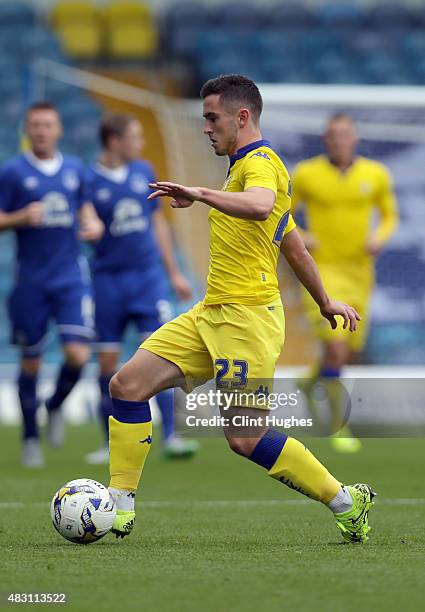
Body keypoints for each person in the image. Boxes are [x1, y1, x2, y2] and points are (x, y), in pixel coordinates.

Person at [105, 75, 375, 544]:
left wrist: (200, 193)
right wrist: (326, 300)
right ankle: (118, 505)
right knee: (126, 386)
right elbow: (294, 246)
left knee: (245, 439)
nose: (205, 128)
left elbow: (260, 205)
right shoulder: (240, 168)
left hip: (247, 320)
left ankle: (347, 502)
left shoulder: (262, 164)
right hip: (210, 313)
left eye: (212, 118)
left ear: (241, 117)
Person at [84, 113, 199, 464]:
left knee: (159, 353)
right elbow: (83, 216)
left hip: (147, 279)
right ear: (115, 140)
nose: (141, 142)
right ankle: (109, 443)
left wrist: (174, 273)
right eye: (135, 136)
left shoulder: (144, 172)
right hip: (108, 281)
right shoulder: (88, 179)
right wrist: (87, 226)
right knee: (107, 362)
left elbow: (158, 224)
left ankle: (172, 437)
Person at [0, 102, 103, 468]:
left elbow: (86, 210)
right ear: (27, 130)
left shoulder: (75, 169)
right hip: (30, 280)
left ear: (58, 130)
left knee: (78, 354)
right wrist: (19, 217)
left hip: (69, 277)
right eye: (36, 125)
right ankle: (30, 436)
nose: (42, 130)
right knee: (31, 363)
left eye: (48, 124)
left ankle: (55, 404)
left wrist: (94, 226)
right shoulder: (12, 172)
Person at [291, 113, 398, 452]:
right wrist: (303, 236)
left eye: (345, 135)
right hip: (322, 271)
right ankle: (338, 425)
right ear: (325, 140)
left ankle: (310, 383)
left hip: (360, 273)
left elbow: (390, 213)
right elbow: (282, 212)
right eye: (333, 135)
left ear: (355, 139)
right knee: (336, 346)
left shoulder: (375, 174)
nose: (339, 141)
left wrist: (379, 236)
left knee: (346, 351)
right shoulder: (307, 174)